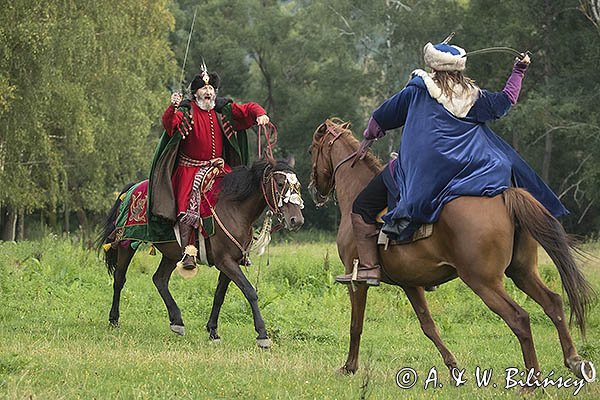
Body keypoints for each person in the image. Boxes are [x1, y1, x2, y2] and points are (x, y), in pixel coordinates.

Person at [336, 40, 567, 287]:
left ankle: (370, 268)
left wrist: (369, 138)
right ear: (459, 69)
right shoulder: (472, 97)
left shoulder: (416, 90)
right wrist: (518, 71)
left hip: (424, 170)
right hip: (466, 169)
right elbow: (505, 101)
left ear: (433, 67)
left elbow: (383, 116)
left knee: (362, 206)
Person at [147, 65, 270, 270]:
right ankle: (189, 252)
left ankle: (240, 245)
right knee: (191, 204)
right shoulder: (186, 112)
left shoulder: (223, 111)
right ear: (195, 94)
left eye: (211, 89)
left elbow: (247, 108)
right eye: (204, 89)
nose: (208, 92)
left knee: (240, 196)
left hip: (218, 169)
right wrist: (173, 108)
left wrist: (260, 114)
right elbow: (169, 124)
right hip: (190, 170)